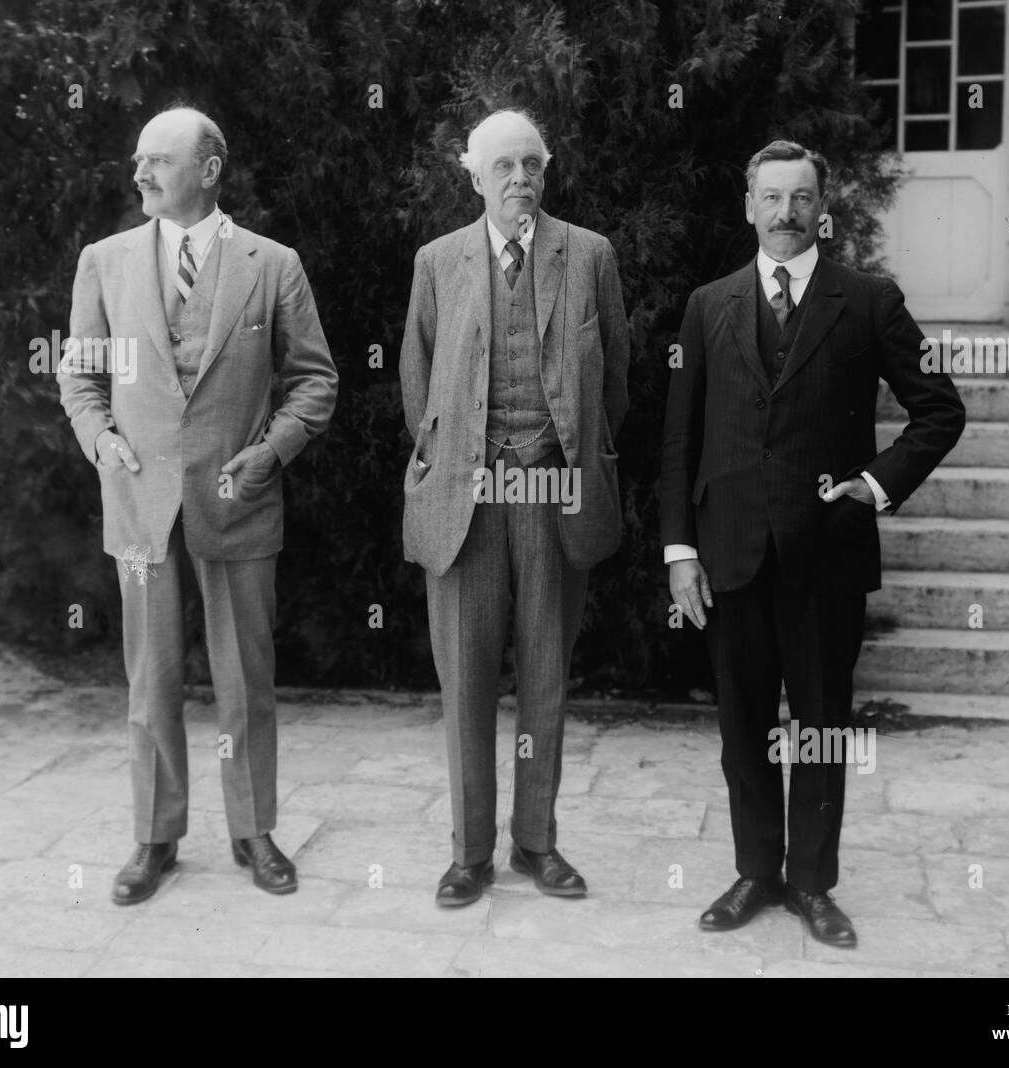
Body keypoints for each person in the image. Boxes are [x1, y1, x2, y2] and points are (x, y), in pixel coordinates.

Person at [660, 140, 964, 946]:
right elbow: (677, 440)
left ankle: (812, 884)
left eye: (801, 199)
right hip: (731, 555)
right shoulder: (707, 304)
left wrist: (872, 485)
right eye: (772, 198)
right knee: (744, 727)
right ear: (748, 206)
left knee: (823, 725)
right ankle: (757, 872)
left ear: (821, 208)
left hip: (827, 555)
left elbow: (940, 409)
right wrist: (678, 552)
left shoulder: (868, 301)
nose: (786, 213)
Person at [58, 105, 338, 905]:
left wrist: (271, 451)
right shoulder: (104, 262)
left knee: (246, 676)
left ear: (209, 170)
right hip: (140, 501)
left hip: (239, 499)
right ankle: (155, 836)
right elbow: (80, 376)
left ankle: (254, 831)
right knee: (149, 677)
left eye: (158, 160)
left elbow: (316, 379)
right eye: (138, 160)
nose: (140, 173)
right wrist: (99, 437)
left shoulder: (271, 264)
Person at [399, 109, 630, 906]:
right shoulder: (438, 262)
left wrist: (560, 454)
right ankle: (469, 854)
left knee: (545, 678)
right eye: (503, 166)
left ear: (548, 169)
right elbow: (418, 382)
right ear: (473, 176)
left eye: (532, 163)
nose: (520, 179)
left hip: (554, 494)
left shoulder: (590, 255)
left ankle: (537, 844)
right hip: (466, 500)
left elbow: (617, 384)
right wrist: (462, 456)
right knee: (464, 681)